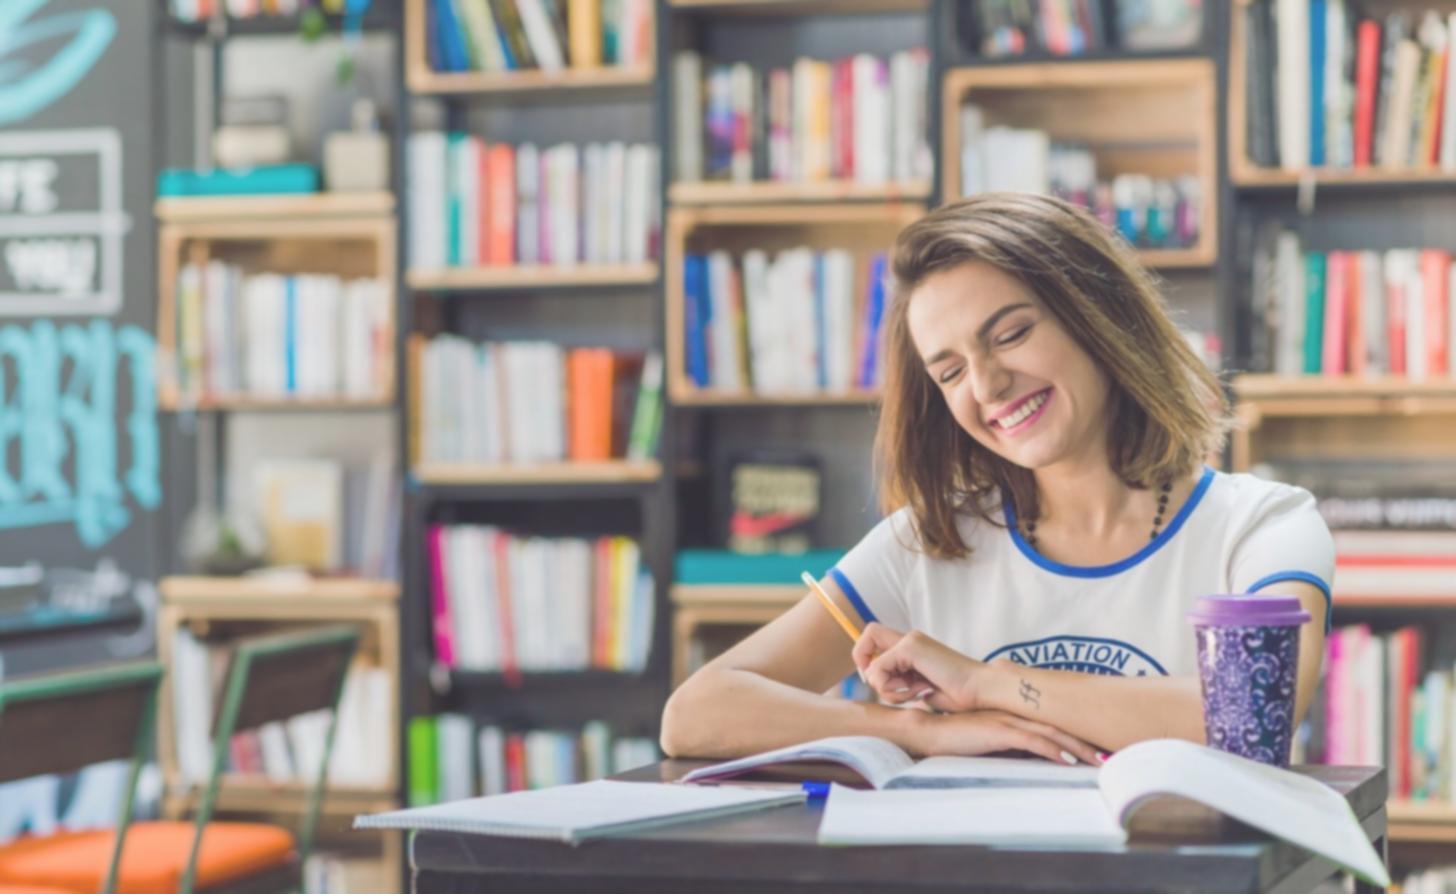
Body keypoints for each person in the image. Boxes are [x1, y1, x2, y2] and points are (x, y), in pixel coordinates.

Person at [660, 193, 1332, 765]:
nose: (987, 385)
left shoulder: (1264, 526)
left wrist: (988, 684)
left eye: (1009, 334)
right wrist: (917, 732)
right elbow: (696, 715)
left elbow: (1252, 722)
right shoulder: (927, 542)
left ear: (1097, 318)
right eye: (949, 371)